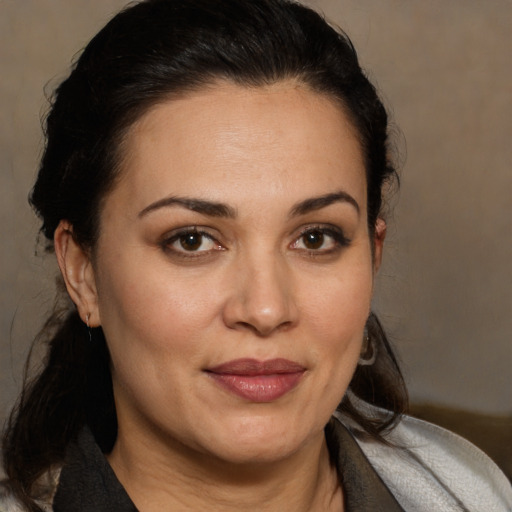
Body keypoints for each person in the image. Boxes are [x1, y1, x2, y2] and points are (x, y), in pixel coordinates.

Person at [1, 0, 511, 510]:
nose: (266, 310)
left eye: (315, 238)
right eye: (193, 240)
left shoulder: (468, 491)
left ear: (373, 255)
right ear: (83, 273)